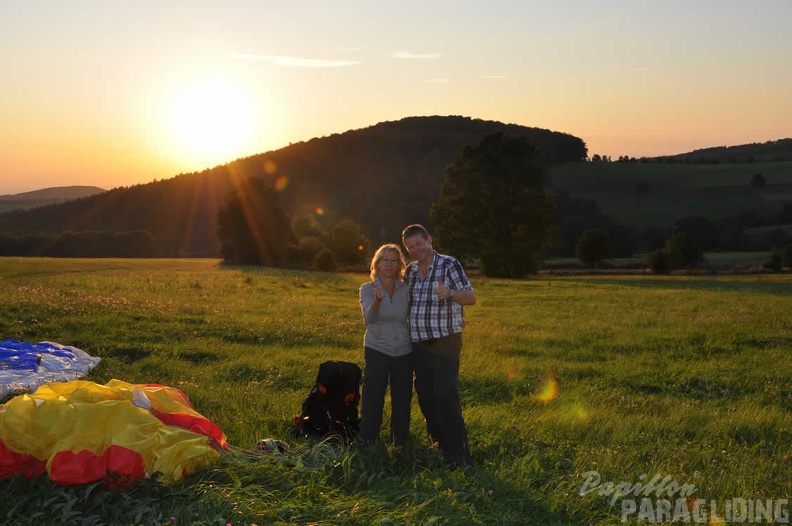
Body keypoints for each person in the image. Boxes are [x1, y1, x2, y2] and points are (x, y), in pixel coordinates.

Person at [401, 224, 476, 468]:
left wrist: (451, 294)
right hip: (418, 345)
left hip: (445, 343)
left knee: (446, 396)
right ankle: (440, 445)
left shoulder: (448, 264)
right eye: (410, 247)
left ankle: (460, 456)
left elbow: (471, 297)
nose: (415, 250)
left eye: (419, 243)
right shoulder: (411, 271)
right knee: (425, 396)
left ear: (429, 239)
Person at [357, 243, 413, 447]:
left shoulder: (406, 288)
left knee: (402, 397)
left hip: (404, 349)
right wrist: (378, 300)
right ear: (377, 264)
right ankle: (368, 440)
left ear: (400, 264)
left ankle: (400, 441)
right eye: (384, 260)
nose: (389, 264)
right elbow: (369, 318)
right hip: (377, 347)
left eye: (393, 260)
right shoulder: (367, 288)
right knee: (373, 396)